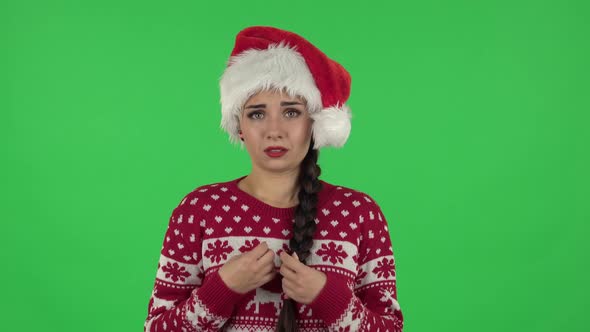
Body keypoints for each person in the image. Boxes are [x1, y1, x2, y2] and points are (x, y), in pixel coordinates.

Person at [143, 26, 404, 332]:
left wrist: (329, 298)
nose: (274, 130)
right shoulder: (198, 210)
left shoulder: (359, 213)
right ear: (239, 126)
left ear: (314, 124)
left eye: (291, 112)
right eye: (256, 114)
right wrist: (222, 289)